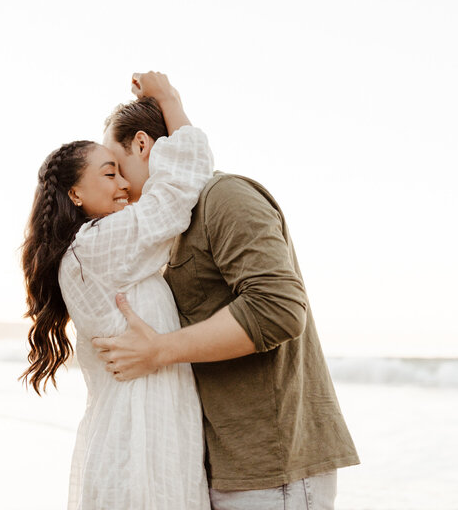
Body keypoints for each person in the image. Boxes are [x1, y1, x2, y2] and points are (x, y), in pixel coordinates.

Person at [93, 93, 361, 509]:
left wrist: (158, 351)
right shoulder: (170, 229)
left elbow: (278, 309)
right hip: (226, 465)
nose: (120, 186)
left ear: (142, 145)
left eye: (115, 165)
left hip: (274, 466)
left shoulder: (225, 197)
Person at [20, 73, 212, 509]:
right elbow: (179, 185)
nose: (125, 184)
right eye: (110, 174)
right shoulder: (96, 246)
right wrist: (169, 99)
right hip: (138, 457)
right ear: (75, 192)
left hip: (139, 447)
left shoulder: (97, 249)